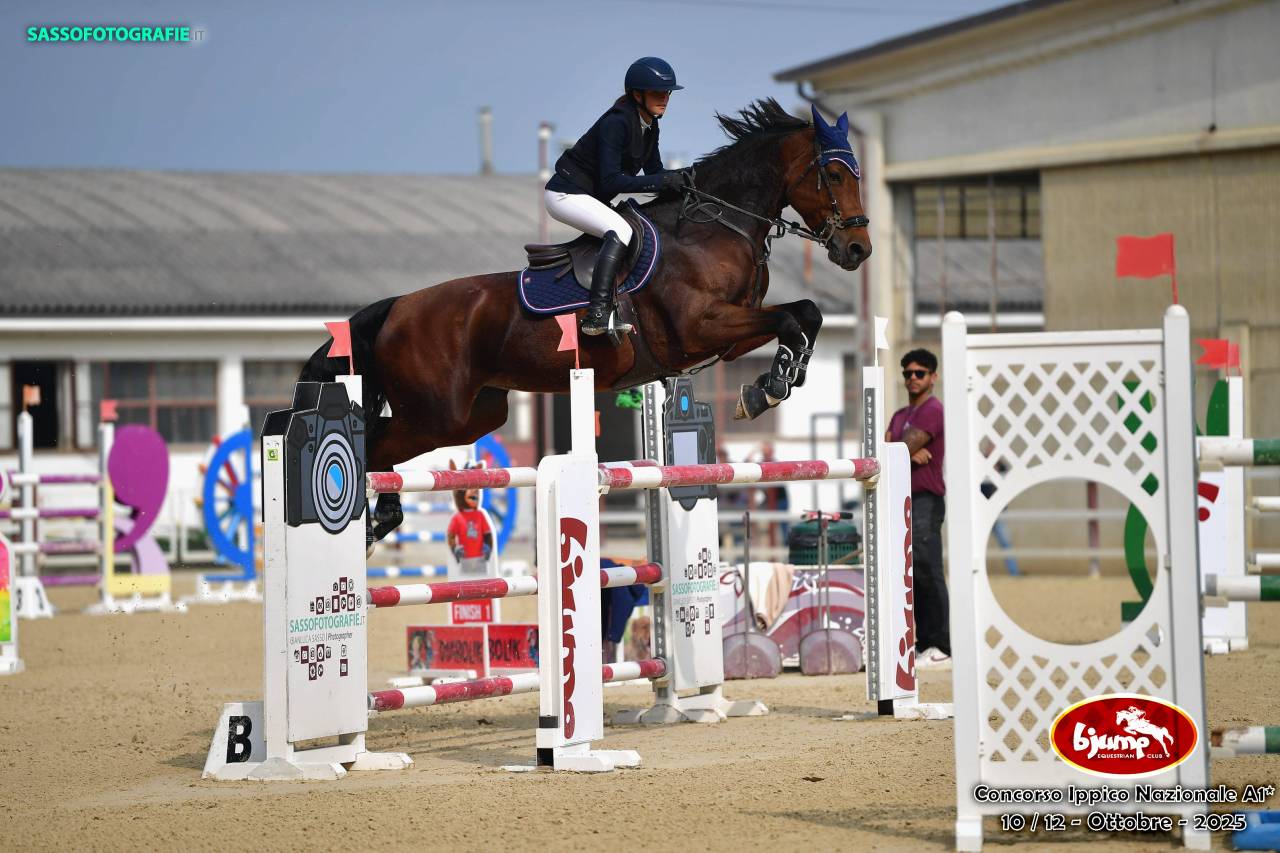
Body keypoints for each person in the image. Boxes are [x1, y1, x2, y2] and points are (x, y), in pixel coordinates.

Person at [544, 56, 692, 339]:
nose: (665, 99)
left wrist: (688, 179)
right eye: (657, 93)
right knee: (620, 229)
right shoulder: (617, 123)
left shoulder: (650, 124)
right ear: (637, 94)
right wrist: (665, 180)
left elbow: (655, 172)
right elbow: (611, 180)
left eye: (668, 93)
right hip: (565, 194)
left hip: (590, 196)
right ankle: (597, 314)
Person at [887, 348, 950, 668]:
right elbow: (881, 452)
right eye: (907, 373)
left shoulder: (933, 410)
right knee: (908, 575)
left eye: (919, 373)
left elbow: (897, 447)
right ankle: (923, 643)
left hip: (925, 499)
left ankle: (940, 644)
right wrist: (905, 454)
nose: (912, 378)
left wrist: (900, 451)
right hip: (900, 499)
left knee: (927, 569)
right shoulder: (900, 416)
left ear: (933, 377)